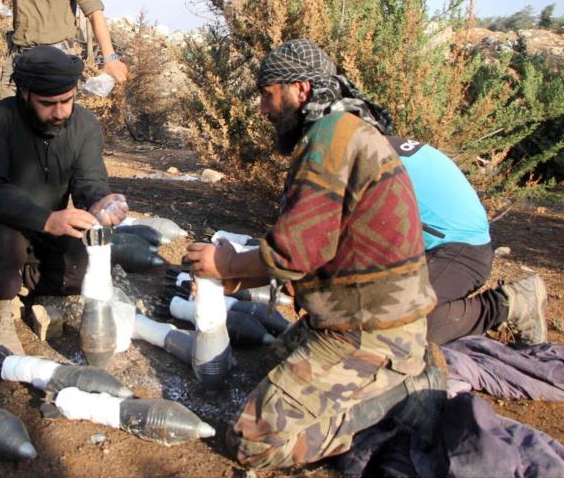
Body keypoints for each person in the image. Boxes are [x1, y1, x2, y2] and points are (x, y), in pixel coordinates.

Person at [183, 39, 446, 470]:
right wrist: (232, 274)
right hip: (352, 316)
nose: (263, 109)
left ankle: (400, 398)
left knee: (251, 443)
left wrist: (228, 265)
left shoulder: (331, 136)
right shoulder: (341, 130)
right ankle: (394, 377)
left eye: (267, 96)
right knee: (264, 367)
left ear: (300, 90)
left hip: (369, 330)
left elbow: (295, 252)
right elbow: (316, 245)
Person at [0, 46, 128, 359]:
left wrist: (101, 201)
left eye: (67, 101)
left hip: (43, 227)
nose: (60, 112)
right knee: (4, 228)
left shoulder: (84, 126)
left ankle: (23, 282)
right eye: (48, 104)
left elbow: (89, 183)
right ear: (25, 94)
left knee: (86, 262)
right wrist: (48, 220)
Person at [385, 136, 548, 346]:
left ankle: (505, 305)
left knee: (390, 332)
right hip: (455, 248)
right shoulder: (380, 147)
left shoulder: (363, 163)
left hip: (458, 253)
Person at [0, 0, 128, 98]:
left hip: (55, 60)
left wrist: (111, 58)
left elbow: (94, 12)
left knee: (51, 125)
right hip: (18, 60)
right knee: (7, 124)